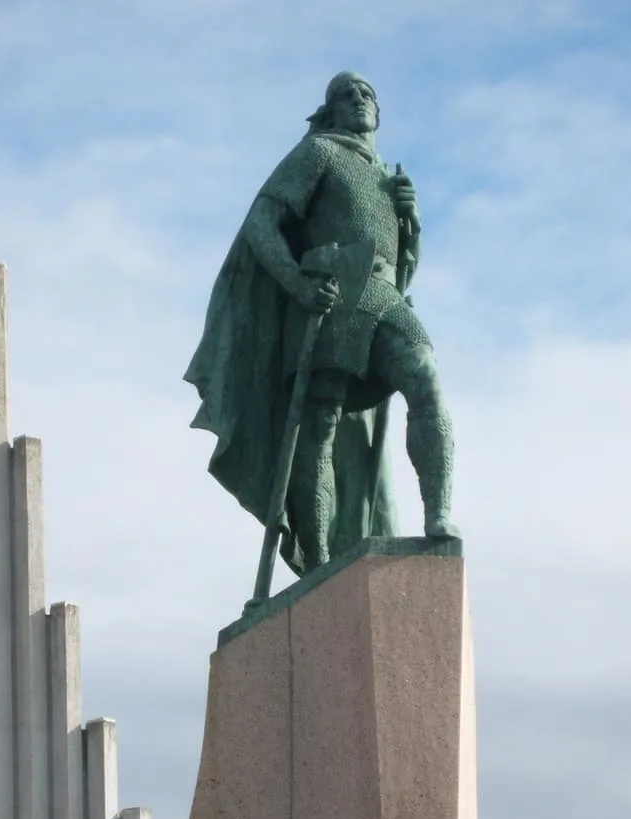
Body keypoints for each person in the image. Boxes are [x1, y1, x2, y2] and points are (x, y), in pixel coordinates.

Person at [185, 71, 456, 575]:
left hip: (381, 294)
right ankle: (321, 563)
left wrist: (410, 226)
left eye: (366, 93)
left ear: (378, 110)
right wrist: (296, 283)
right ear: (329, 111)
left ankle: (437, 515)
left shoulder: (386, 176)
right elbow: (261, 224)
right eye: (344, 95)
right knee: (321, 429)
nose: (357, 99)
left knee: (426, 378)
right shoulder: (319, 153)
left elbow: (401, 269)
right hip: (331, 296)